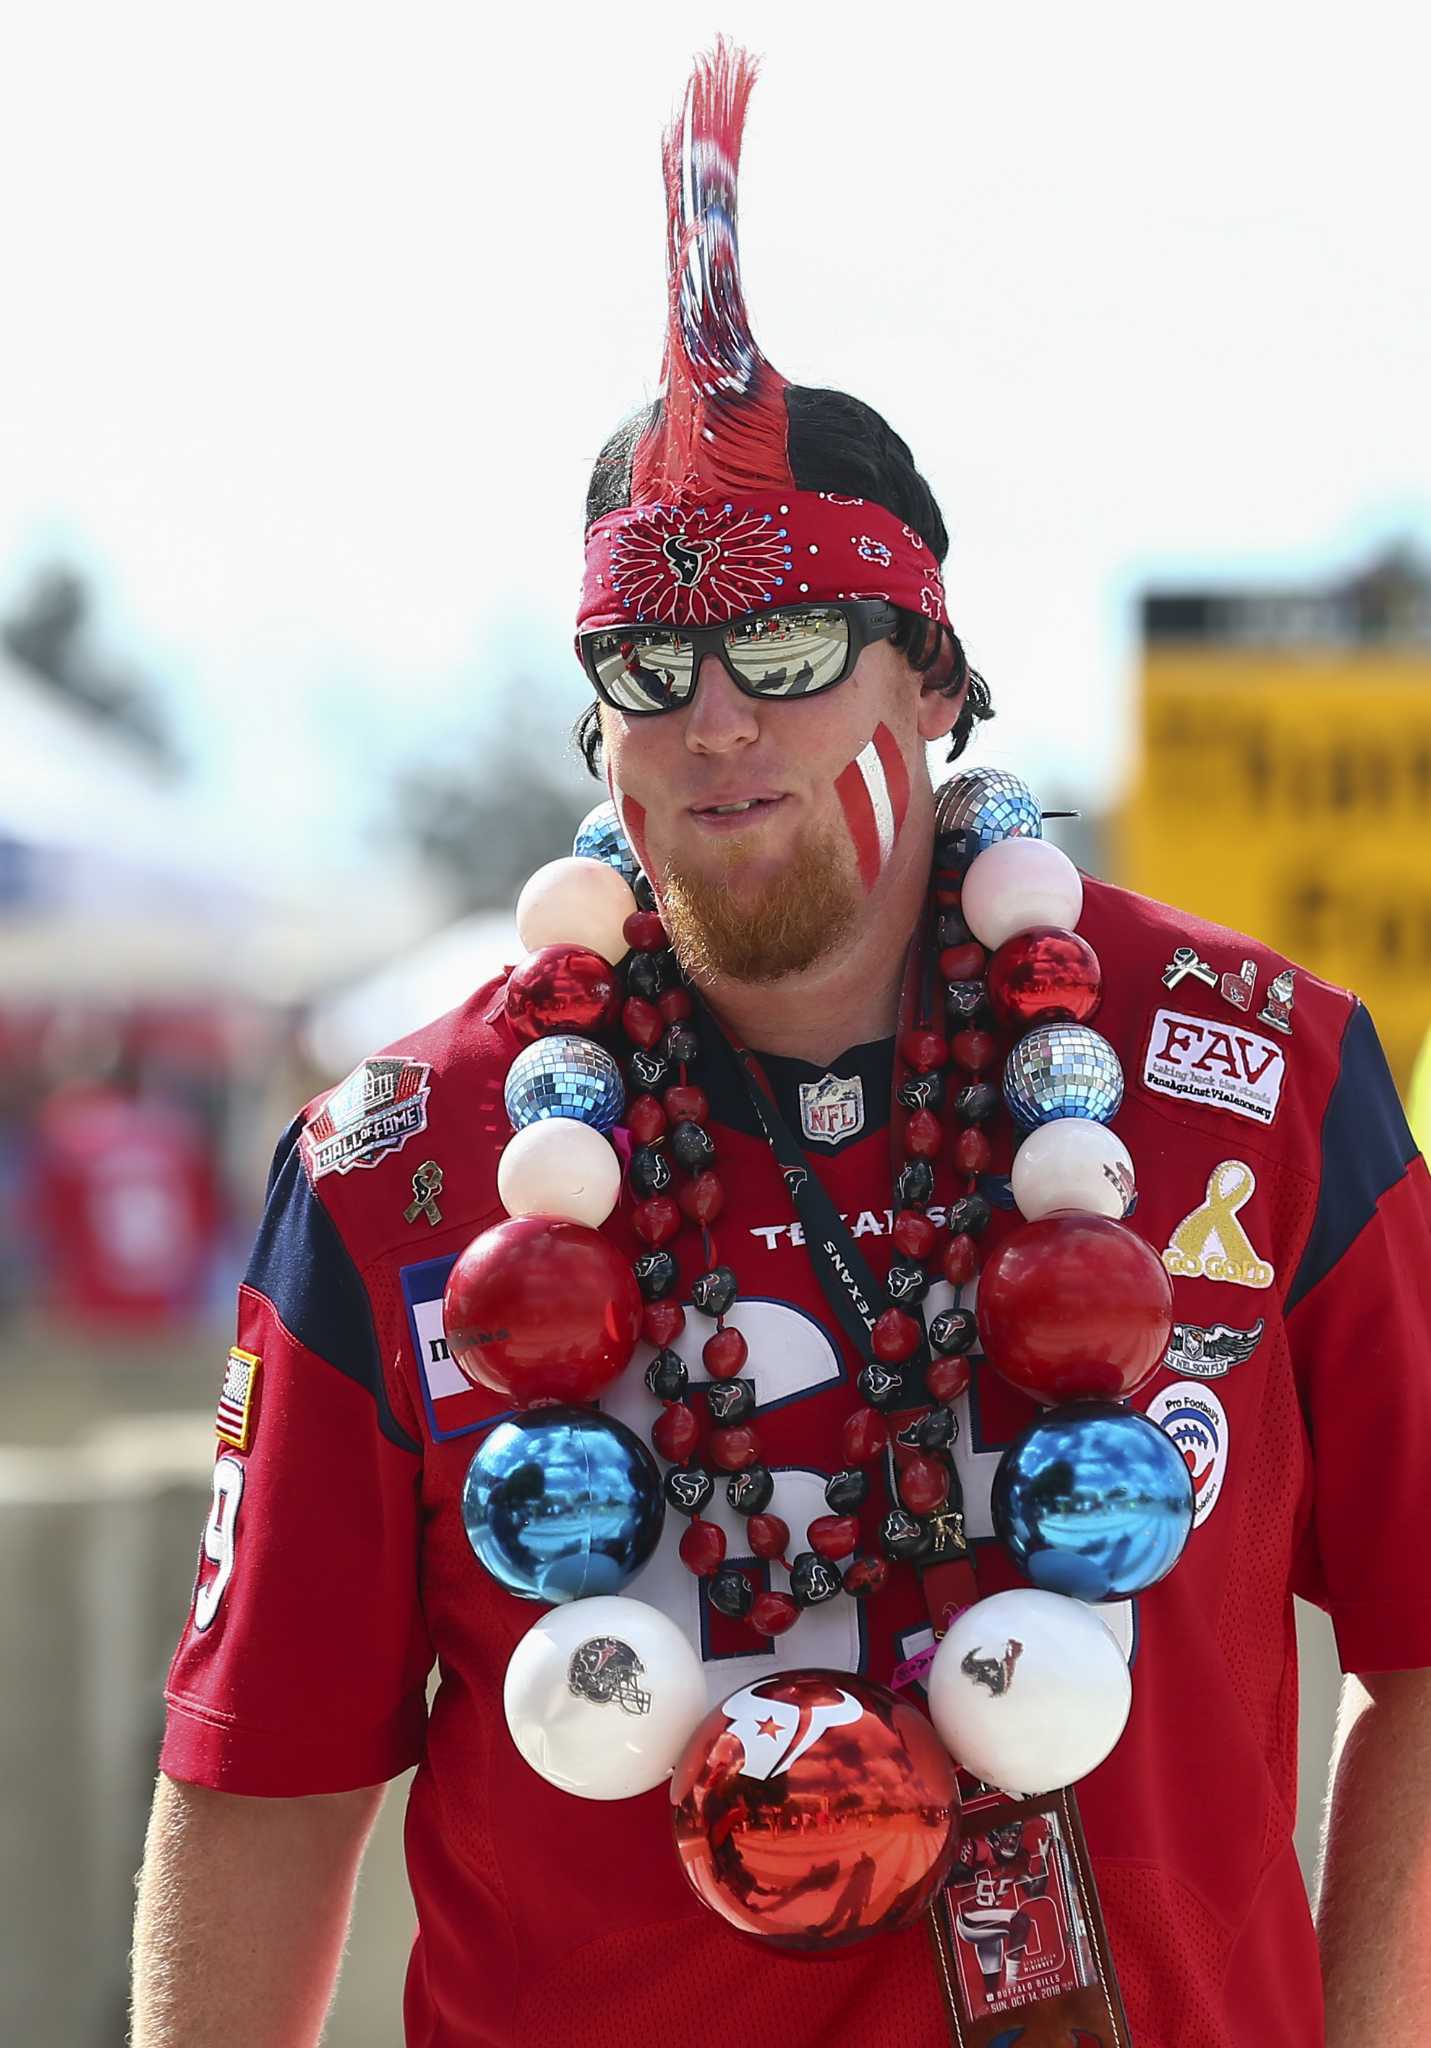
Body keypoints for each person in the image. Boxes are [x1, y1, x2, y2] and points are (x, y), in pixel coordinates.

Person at [131, 42, 1431, 2048]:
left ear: (927, 678)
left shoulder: (1251, 1074)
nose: (715, 719)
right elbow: (264, 1773)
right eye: (646, 667)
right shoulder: (399, 1164)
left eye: (787, 649)